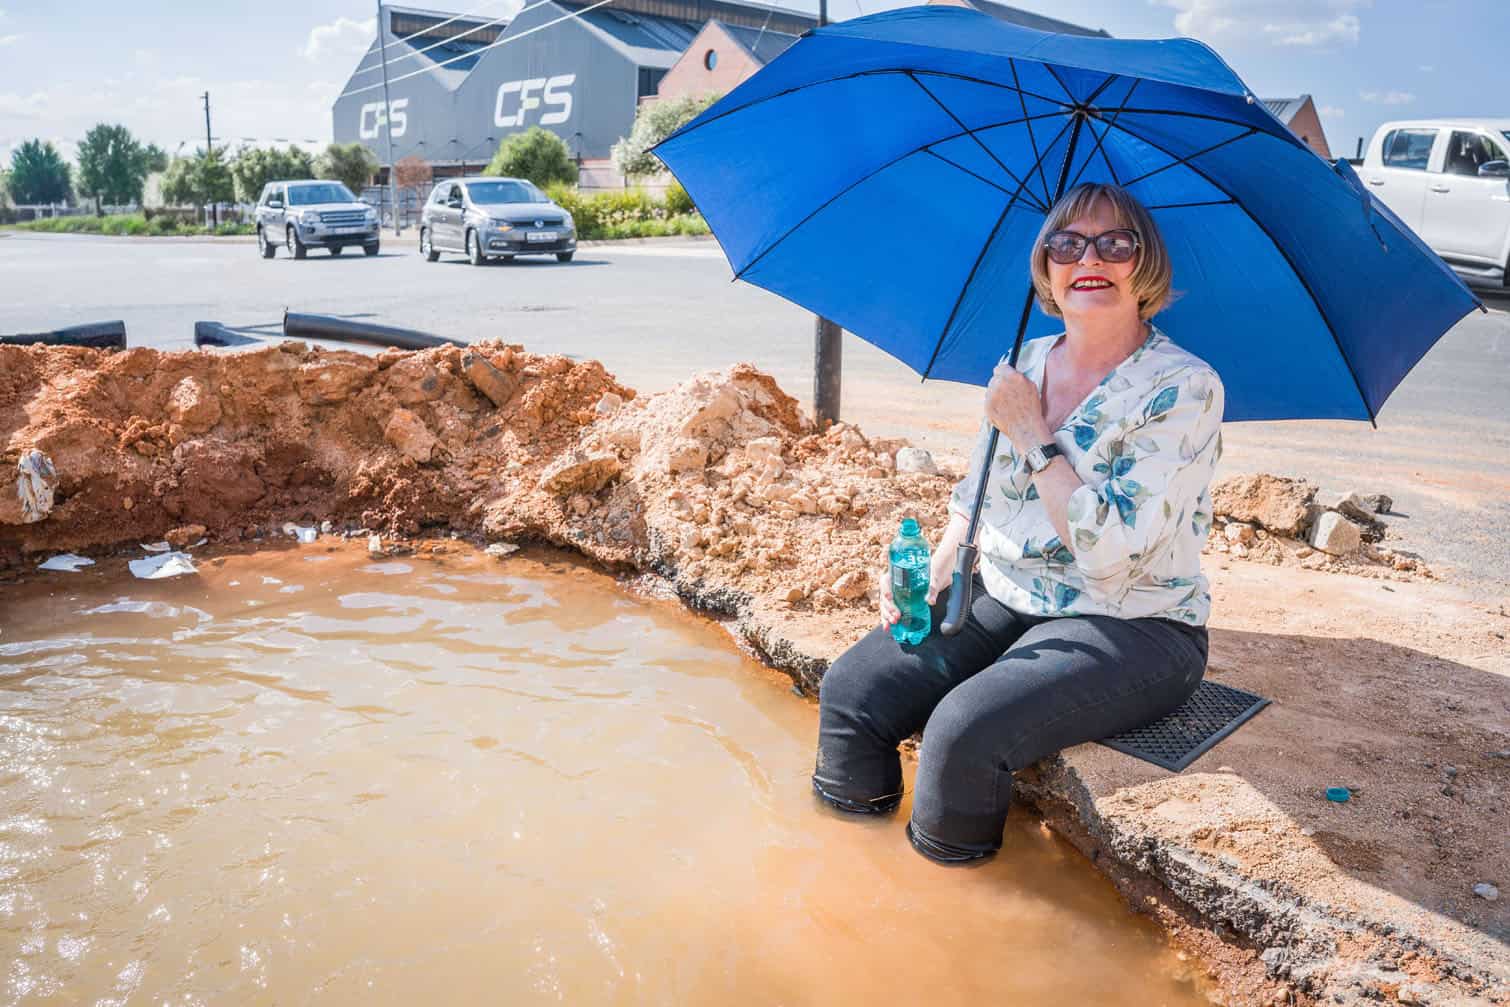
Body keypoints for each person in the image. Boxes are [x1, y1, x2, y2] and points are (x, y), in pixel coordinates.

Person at [811, 182, 1225, 863]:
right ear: (1046, 266)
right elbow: (978, 491)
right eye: (1067, 243)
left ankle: (945, 901)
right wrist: (939, 566)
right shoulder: (1023, 362)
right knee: (854, 692)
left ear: (1144, 262)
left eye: (1114, 243)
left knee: (961, 733)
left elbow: (1109, 552)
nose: (1088, 258)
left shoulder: (1184, 387)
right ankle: (849, 872)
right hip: (1009, 593)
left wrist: (1033, 433)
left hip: (1132, 618)